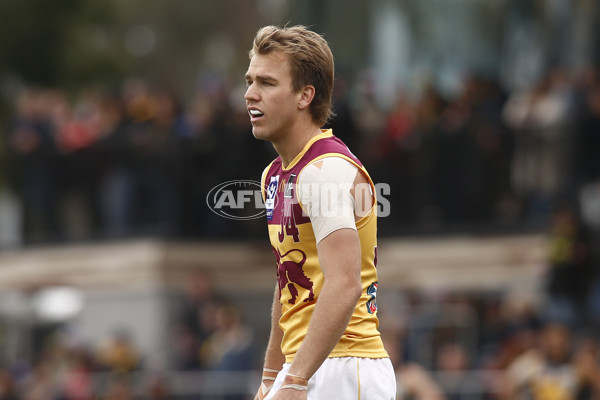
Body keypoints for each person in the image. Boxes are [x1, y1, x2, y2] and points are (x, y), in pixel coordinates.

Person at [244, 25, 396, 400]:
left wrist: (295, 379)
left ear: (304, 95)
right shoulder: (274, 175)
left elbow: (344, 284)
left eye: (266, 82)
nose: (250, 94)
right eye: (249, 81)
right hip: (308, 364)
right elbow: (289, 281)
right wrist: (271, 375)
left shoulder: (324, 172)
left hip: (345, 365)